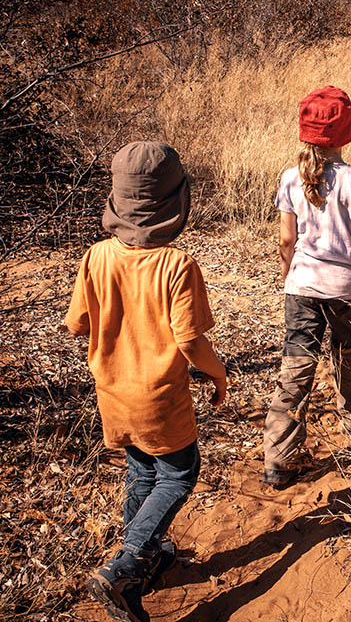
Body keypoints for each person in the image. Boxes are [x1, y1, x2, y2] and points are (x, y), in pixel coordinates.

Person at [65, 141, 227, 622]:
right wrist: (218, 375)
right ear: (176, 202)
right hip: (160, 398)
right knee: (179, 473)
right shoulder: (177, 266)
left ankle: (146, 550)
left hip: (113, 393)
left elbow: (78, 324)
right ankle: (126, 566)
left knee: (141, 470)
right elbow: (192, 342)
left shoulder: (96, 257)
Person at [264, 86, 351, 488]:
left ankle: (278, 456)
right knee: (349, 356)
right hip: (345, 287)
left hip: (301, 286)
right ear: (346, 132)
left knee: (296, 367)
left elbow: (285, 240)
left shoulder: (290, 178)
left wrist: (287, 277)